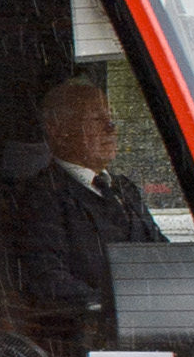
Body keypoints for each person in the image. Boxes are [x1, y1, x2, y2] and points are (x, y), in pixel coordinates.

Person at [10, 78, 164, 335]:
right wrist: (116, 309)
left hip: (150, 327)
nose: (111, 127)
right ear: (58, 130)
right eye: (95, 119)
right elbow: (48, 281)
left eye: (111, 117)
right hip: (90, 336)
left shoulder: (124, 189)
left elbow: (163, 256)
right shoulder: (43, 196)